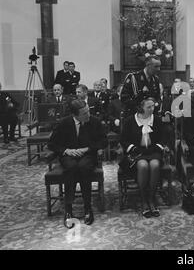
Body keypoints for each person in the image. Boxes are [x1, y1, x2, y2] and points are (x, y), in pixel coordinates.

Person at [48, 99, 107, 228]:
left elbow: (103, 141)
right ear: (75, 115)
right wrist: (66, 150)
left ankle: (87, 207)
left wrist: (87, 149)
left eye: (88, 111)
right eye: (84, 113)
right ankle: (68, 209)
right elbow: (52, 144)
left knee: (84, 167)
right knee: (72, 167)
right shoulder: (64, 123)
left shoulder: (94, 121)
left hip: (87, 154)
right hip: (69, 155)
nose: (88, 115)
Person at [120, 97, 168, 217]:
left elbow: (164, 137)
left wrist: (157, 147)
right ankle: (143, 198)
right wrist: (133, 148)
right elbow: (123, 140)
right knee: (143, 165)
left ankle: (151, 198)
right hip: (137, 152)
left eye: (153, 106)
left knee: (155, 165)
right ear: (141, 108)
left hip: (153, 150)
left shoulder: (156, 120)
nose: (152, 109)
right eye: (149, 107)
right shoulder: (130, 121)